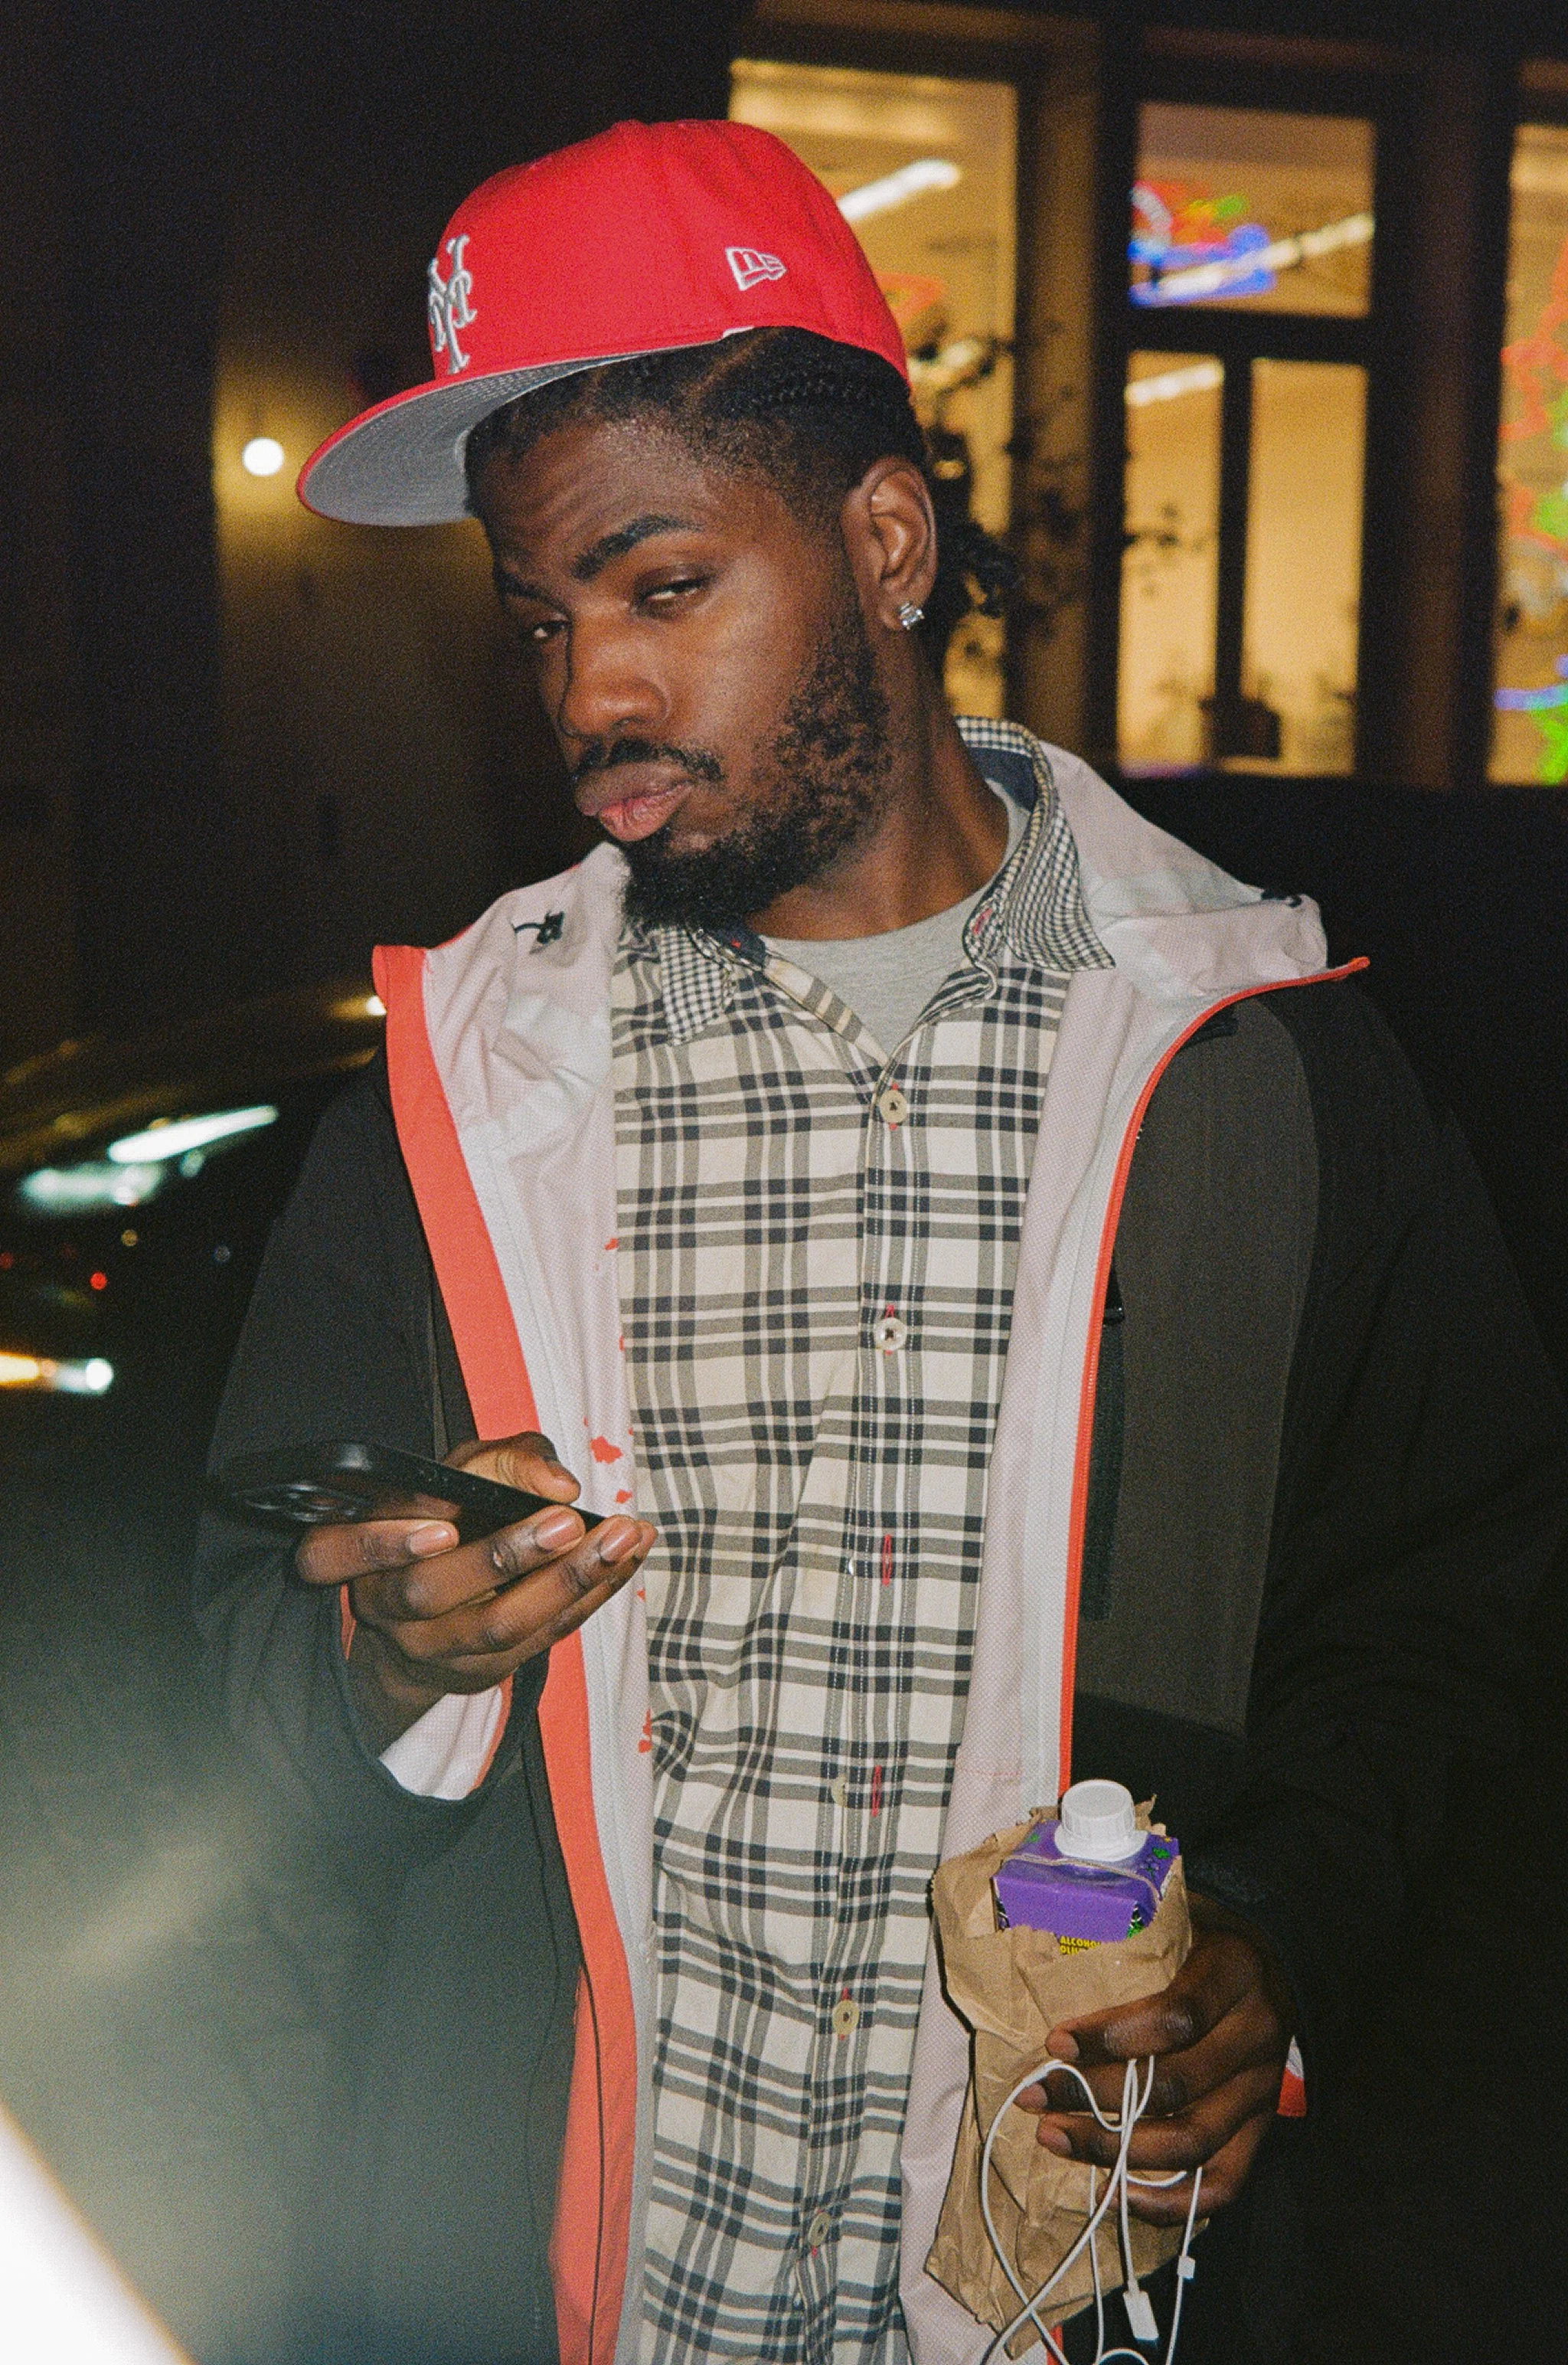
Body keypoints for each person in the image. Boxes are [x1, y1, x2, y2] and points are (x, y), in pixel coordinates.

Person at [194, 119, 1566, 2365]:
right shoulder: (473, 1095)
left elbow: (1443, 1616)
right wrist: (389, 1665)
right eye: (541, 621)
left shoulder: (1256, 1055)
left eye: (661, 589)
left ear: (887, 540)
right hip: (568, 2299)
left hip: (1061, 2304)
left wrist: (1273, 1928)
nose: (588, 706)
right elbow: (228, 1668)